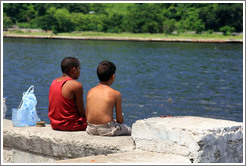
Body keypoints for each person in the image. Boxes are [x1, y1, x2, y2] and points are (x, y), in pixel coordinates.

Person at [86, 60, 131, 136]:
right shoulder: (116, 93)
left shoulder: (90, 91)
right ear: (113, 77)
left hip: (90, 129)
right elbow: (120, 120)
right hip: (107, 130)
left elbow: (87, 115)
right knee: (130, 130)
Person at [48, 57, 87, 131]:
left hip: (54, 124)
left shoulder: (54, 82)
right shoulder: (76, 85)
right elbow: (81, 112)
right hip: (70, 124)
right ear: (74, 70)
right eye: (79, 68)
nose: (79, 71)